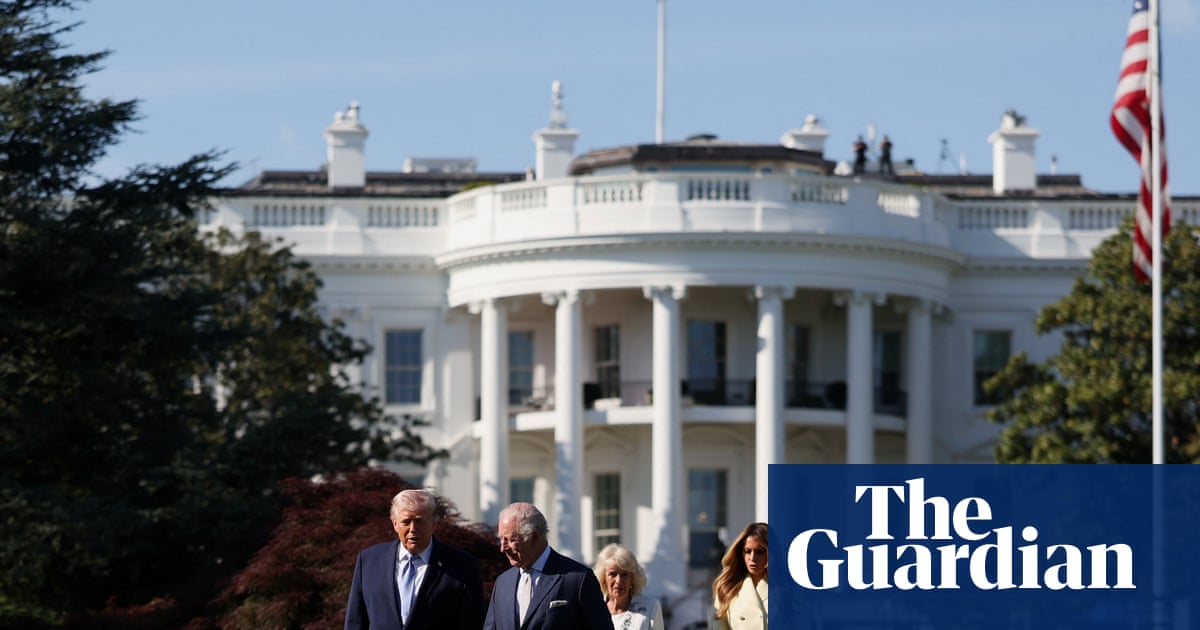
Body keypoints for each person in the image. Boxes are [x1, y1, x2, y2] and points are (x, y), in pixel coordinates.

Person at [344, 488, 485, 630]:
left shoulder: (462, 565)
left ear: (433, 524)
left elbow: (472, 623)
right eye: (406, 522)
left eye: (419, 522)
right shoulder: (369, 561)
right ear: (395, 524)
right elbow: (355, 622)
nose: (413, 529)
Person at [484, 502, 611, 630]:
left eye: (511, 540)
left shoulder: (577, 579)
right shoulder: (503, 583)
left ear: (533, 537)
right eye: (501, 539)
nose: (502, 548)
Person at [593, 543, 664, 630]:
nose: (618, 581)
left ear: (632, 578)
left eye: (624, 574)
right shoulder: (593, 609)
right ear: (603, 577)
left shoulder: (651, 607)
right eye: (612, 574)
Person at [711, 522, 768, 630]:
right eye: (747, 551)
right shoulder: (727, 586)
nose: (752, 558)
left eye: (759, 552)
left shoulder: (787, 588)